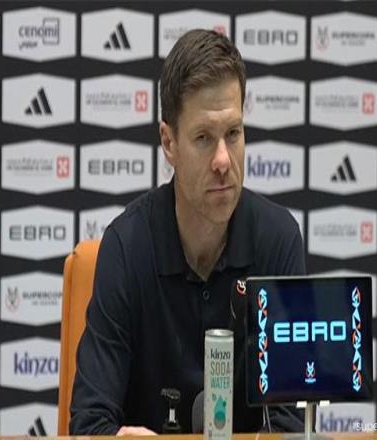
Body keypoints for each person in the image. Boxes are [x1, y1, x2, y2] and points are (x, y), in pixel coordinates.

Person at [69, 29, 305, 435]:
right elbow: (89, 424)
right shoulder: (126, 247)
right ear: (169, 142)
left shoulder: (278, 240)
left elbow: (289, 423)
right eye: (203, 138)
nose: (223, 160)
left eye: (233, 133)